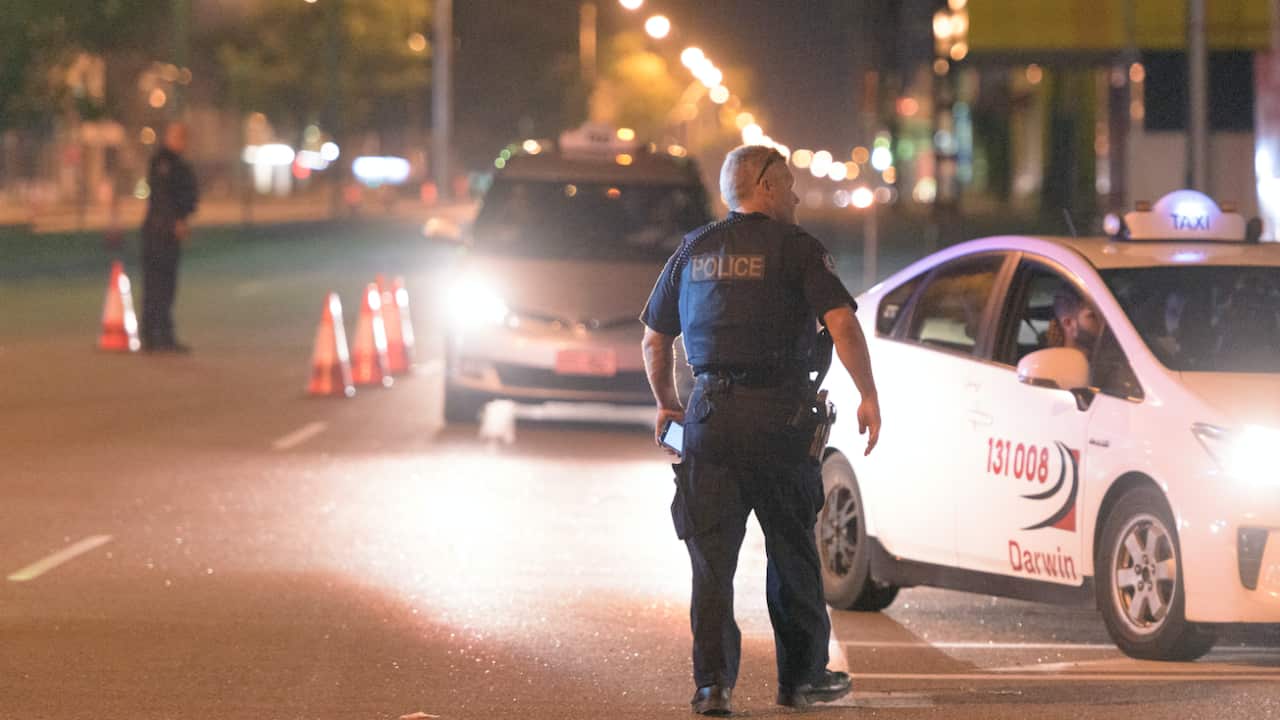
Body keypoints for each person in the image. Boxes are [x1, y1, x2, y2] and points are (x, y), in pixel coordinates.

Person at [640, 145, 881, 716]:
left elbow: (654, 339)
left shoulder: (693, 249)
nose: (796, 195)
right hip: (779, 422)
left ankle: (713, 687)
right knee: (793, 553)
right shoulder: (797, 248)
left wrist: (668, 403)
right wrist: (868, 393)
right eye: (790, 184)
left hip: (709, 422)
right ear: (766, 187)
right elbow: (842, 322)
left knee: (712, 564)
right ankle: (801, 680)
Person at [140, 121, 198, 353]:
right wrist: (174, 221)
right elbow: (162, 198)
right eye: (178, 136)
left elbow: (189, 195)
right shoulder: (161, 163)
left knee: (167, 286)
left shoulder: (181, 165)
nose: (182, 141)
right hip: (157, 233)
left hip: (170, 234)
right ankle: (151, 334)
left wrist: (183, 218)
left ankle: (164, 334)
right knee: (155, 285)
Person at [1052, 286, 1103, 355]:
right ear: (1068, 323)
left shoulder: (1107, 357)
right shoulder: (1058, 364)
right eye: (1092, 316)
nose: (1103, 322)